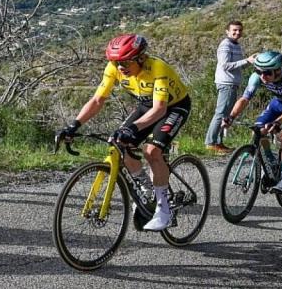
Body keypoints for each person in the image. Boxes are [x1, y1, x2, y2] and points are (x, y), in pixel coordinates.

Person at [56, 34, 192, 231]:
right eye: (116, 62)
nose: (120, 67)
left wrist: (133, 128)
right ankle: (146, 187)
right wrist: (74, 125)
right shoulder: (114, 68)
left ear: (141, 58)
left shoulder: (157, 68)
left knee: (151, 152)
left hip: (173, 107)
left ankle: (164, 210)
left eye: (126, 61)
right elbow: (97, 100)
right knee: (118, 142)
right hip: (146, 106)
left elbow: (160, 110)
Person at [221, 51, 282, 194]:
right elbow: (244, 99)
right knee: (257, 130)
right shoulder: (258, 77)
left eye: (267, 73)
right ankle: (271, 160)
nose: (263, 76)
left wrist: (278, 122)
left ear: (278, 70)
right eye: (258, 71)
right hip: (278, 104)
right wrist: (231, 117)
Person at [204, 20, 256, 154]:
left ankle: (219, 143)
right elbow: (225, 65)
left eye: (239, 30)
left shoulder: (236, 45)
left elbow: (238, 65)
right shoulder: (225, 45)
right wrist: (246, 60)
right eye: (234, 30)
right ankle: (211, 143)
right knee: (221, 113)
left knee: (225, 115)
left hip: (232, 83)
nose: (237, 32)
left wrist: (250, 61)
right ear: (227, 31)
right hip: (226, 83)